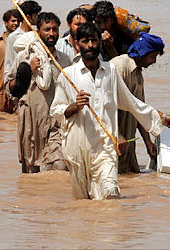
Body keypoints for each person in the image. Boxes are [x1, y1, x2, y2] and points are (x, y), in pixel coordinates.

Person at [50, 22, 170, 200]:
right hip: (77, 148)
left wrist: (160, 118)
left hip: (105, 147)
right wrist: (74, 106)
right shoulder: (68, 74)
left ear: (100, 42)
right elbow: (56, 111)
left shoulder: (110, 71)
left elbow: (130, 102)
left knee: (110, 194)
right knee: (82, 202)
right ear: (77, 44)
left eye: (94, 40)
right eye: (85, 41)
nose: (90, 45)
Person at [7, 12, 71, 173]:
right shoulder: (24, 56)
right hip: (31, 120)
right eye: (47, 30)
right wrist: (27, 70)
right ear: (38, 31)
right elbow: (10, 87)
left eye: (54, 30)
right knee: (30, 170)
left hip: (56, 123)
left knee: (59, 167)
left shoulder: (63, 60)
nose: (51, 34)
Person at [110, 32, 165, 173]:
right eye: (152, 57)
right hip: (114, 140)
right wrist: (117, 134)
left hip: (128, 143)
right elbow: (106, 105)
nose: (154, 62)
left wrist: (148, 143)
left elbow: (140, 111)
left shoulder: (138, 74)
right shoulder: (119, 66)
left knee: (130, 180)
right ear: (143, 52)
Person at [0, 9, 20, 113]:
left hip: (17, 90)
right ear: (5, 23)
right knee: (0, 122)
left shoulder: (22, 43)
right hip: (0, 91)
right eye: (13, 21)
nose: (16, 24)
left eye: (18, 21)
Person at [3, 0, 42, 85]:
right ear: (28, 17)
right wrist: (9, 85)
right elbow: (9, 63)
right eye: (35, 15)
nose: (38, 18)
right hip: (20, 82)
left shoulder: (38, 35)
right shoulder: (13, 37)